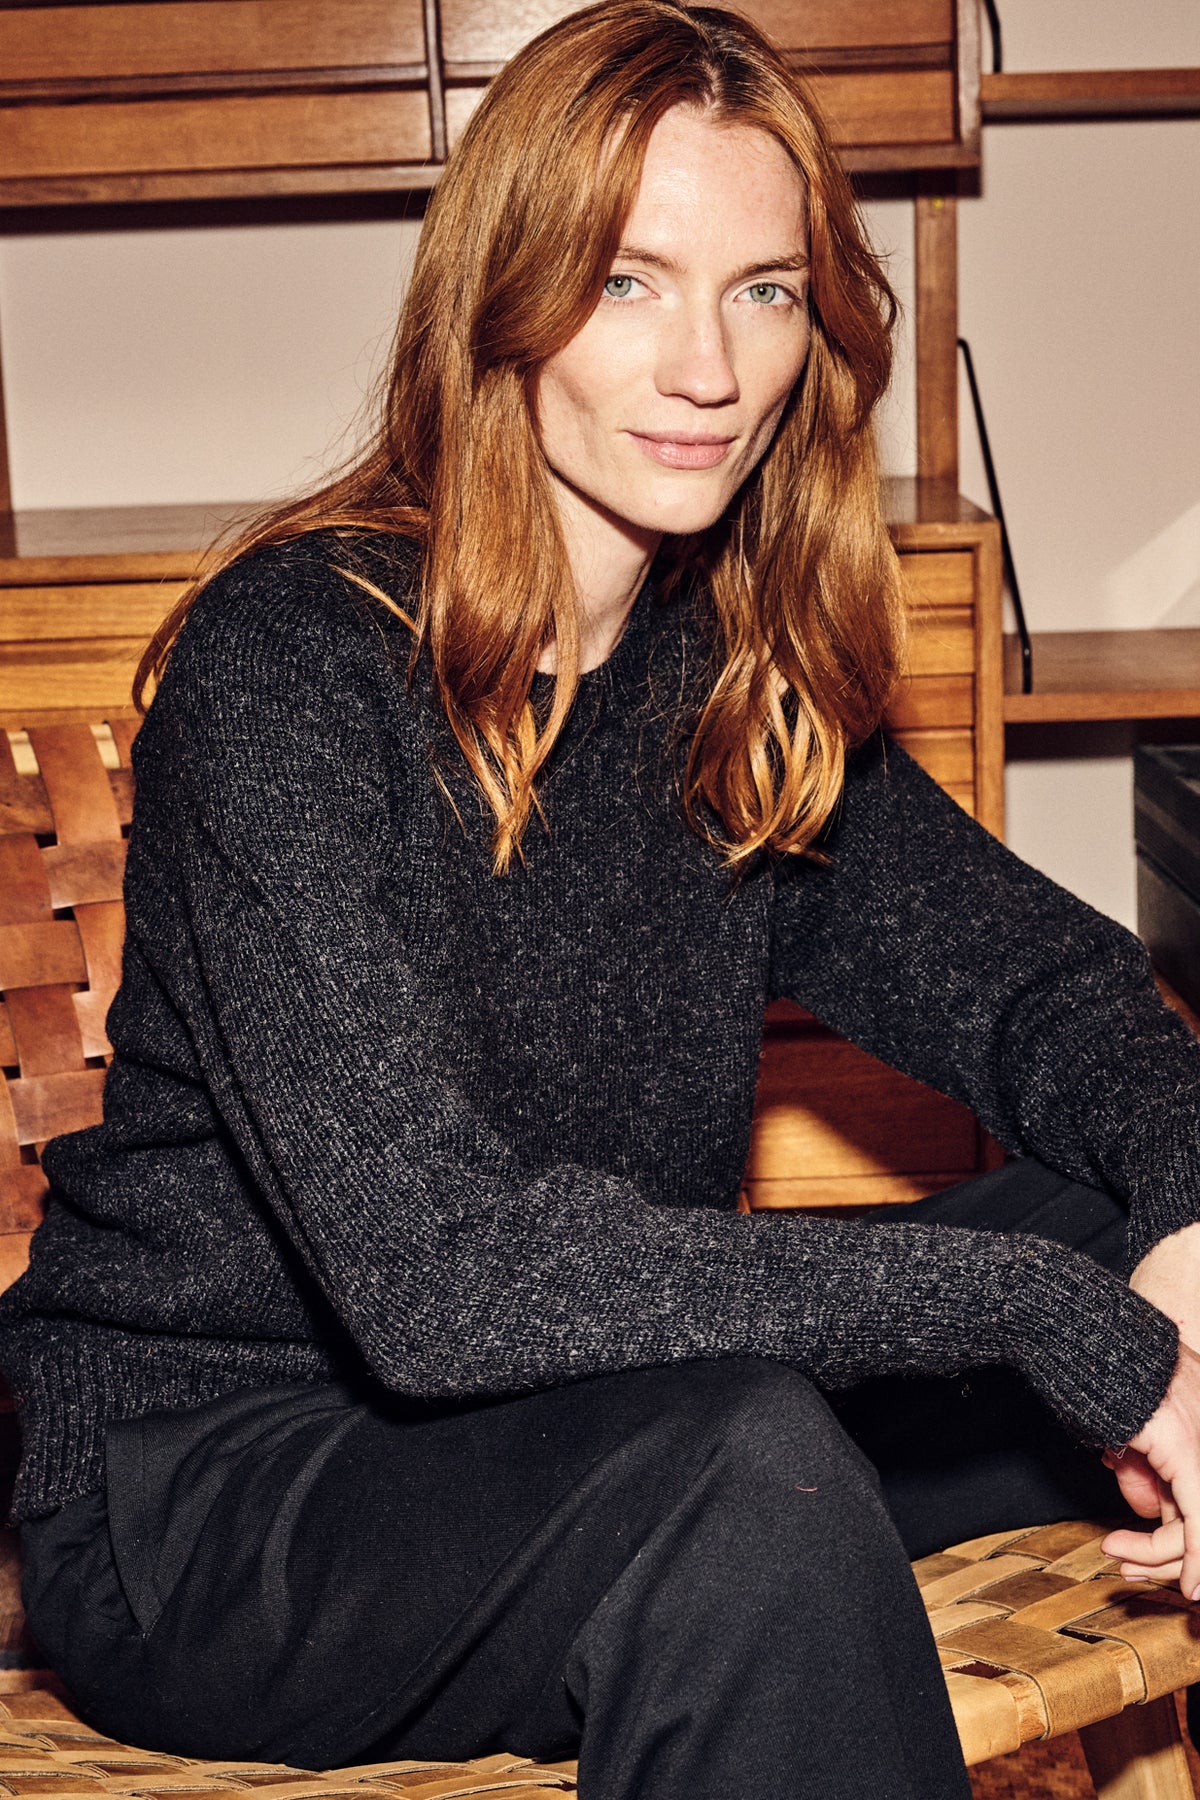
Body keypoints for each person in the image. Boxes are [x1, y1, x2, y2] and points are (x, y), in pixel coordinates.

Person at [4, 2, 1200, 1795]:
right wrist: (1048, 1318)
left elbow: (1058, 996)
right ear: (503, 300)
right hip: (219, 1484)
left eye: (765, 291)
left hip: (613, 1400)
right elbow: (443, 1284)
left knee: (1108, 1229)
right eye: (629, 282)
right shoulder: (292, 676)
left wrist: (1183, 1236)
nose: (708, 368)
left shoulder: (726, 679)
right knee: (749, 1472)